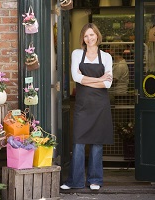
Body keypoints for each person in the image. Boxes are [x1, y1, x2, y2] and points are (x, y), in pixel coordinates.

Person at [60, 23, 114, 191]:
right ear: (82, 39)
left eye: (91, 35)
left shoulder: (106, 57)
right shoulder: (77, 54)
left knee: (97, 143)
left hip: (100, 105)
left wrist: (88, 79)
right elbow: (76, 77)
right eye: (85, 36)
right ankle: (74, 181)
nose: (89, 38)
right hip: (83, 106)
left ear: (97, 35)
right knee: (78, 142)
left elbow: (108, 84)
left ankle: (95, 179)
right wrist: (98, 79)